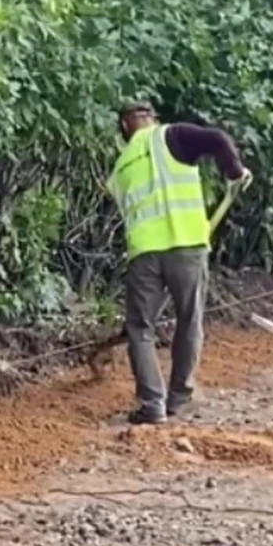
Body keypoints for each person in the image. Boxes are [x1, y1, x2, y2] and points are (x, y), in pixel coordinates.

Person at [106, 100, 252, 425]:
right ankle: (179, 398)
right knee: (189, 320)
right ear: (152, 119)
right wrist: (235, 172)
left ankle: (152, 406)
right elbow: (218, 140)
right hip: (187, 247)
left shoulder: (120, 167)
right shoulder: (171, 136)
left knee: (140, 329)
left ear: (123, 130)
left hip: (144, 254)